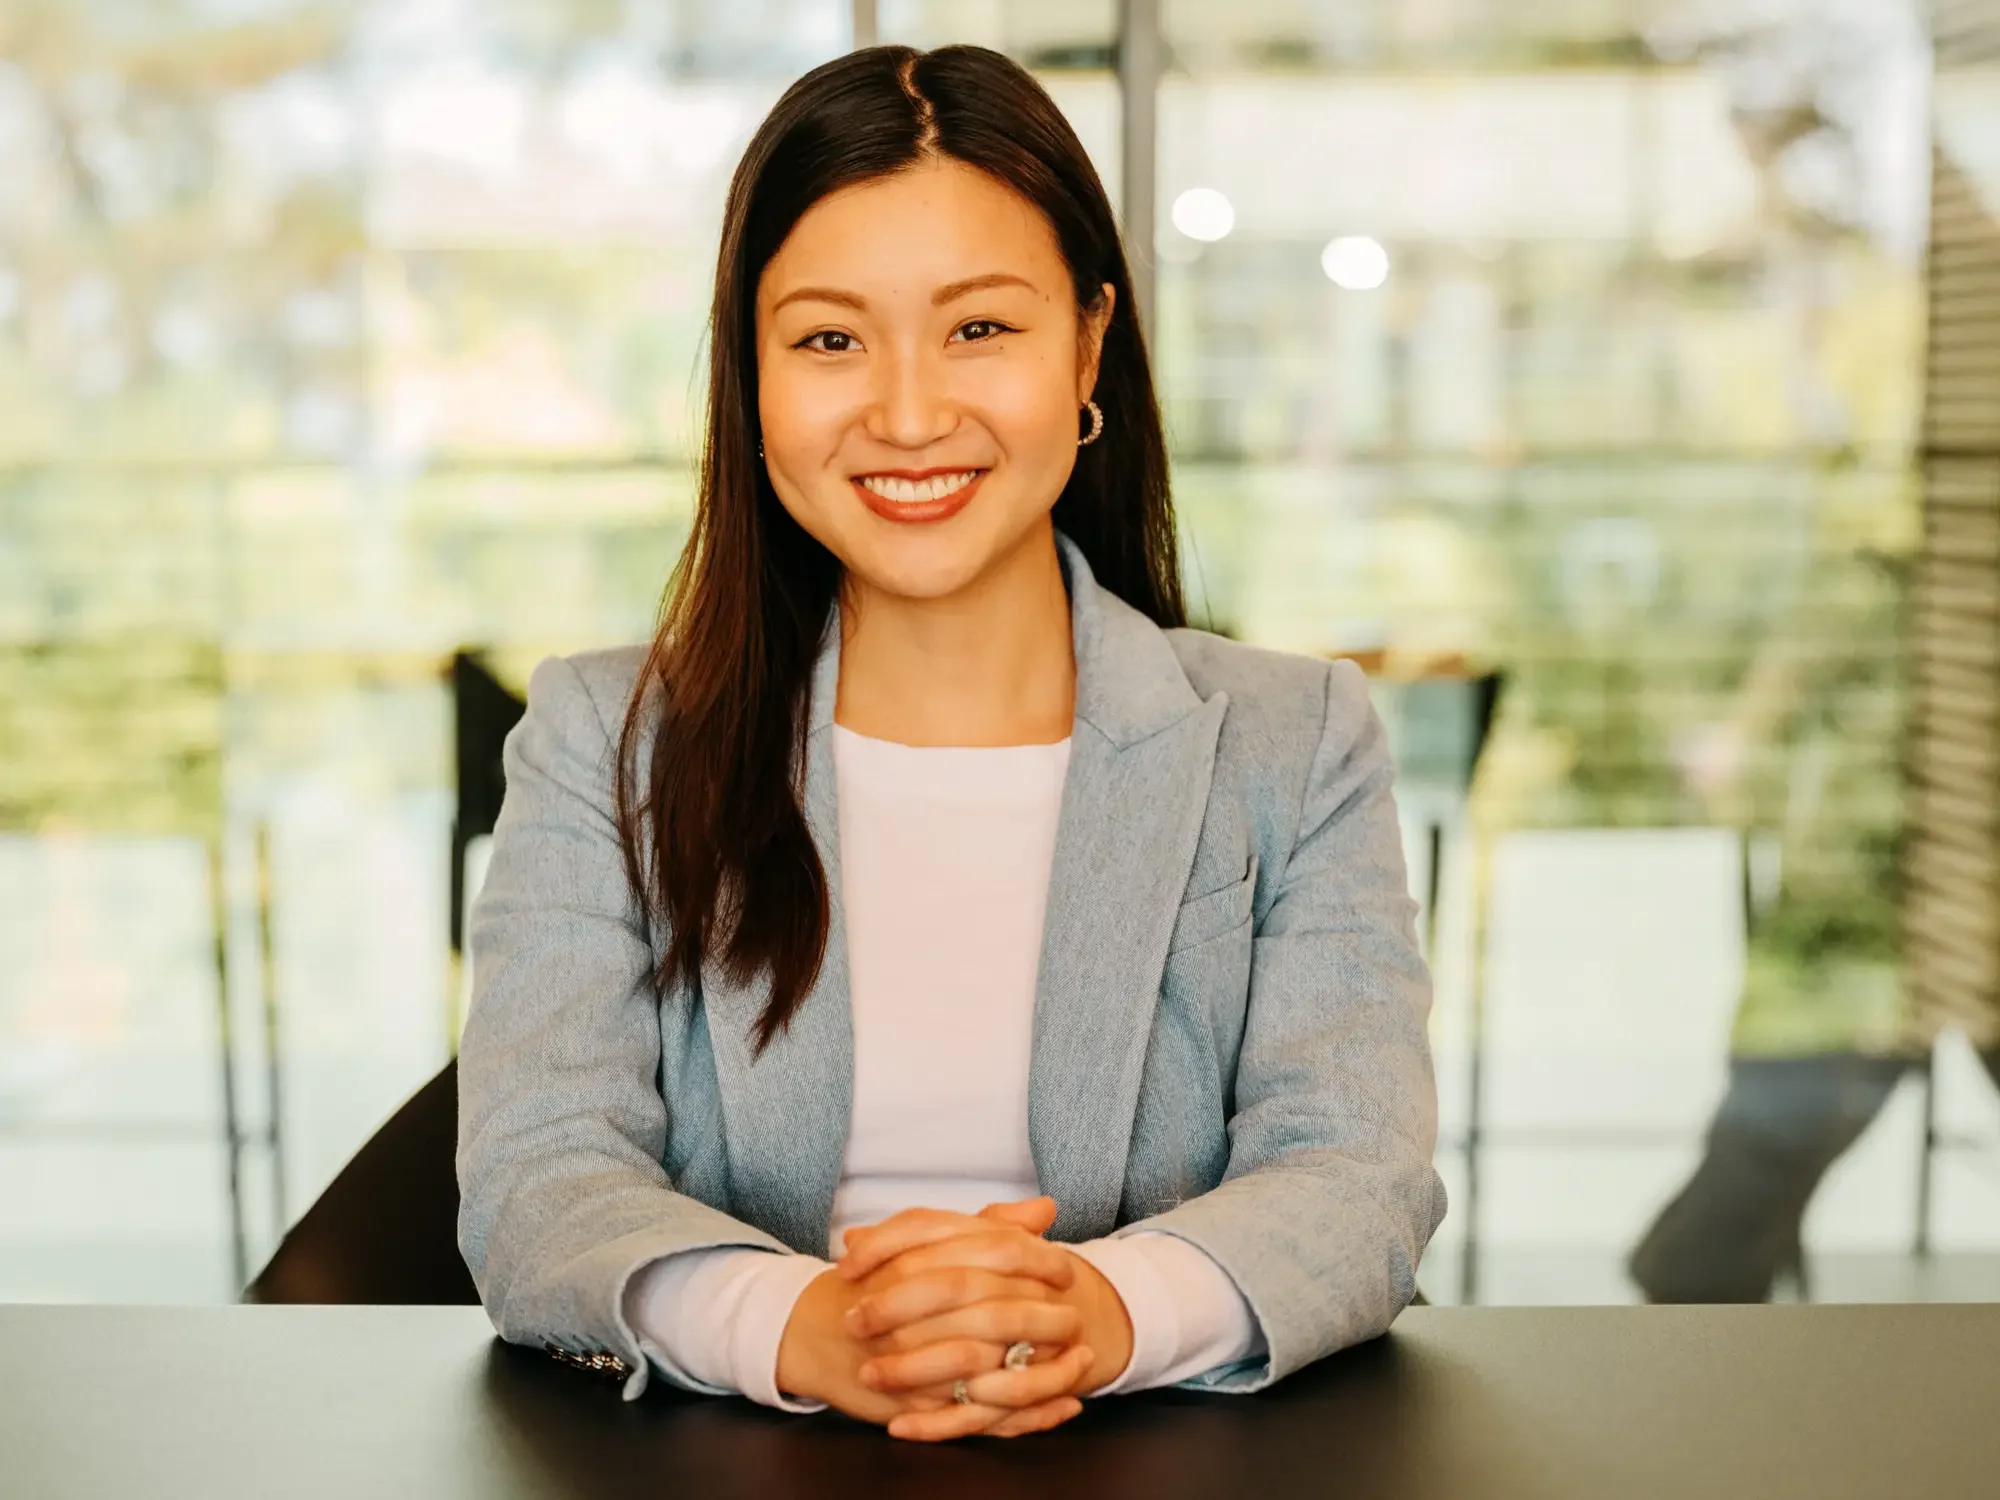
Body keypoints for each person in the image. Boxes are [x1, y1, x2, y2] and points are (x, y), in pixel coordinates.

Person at [456, 43, 1444, 1443]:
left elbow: (1359, 1173)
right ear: (750, 369)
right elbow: (535, 1180)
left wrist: (1094, 1313)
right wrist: (809, 1329)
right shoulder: (603, 741)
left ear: (1090, 343)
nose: (910, 414)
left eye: (980, 329)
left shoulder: (1295, 743)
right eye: (829, 339)